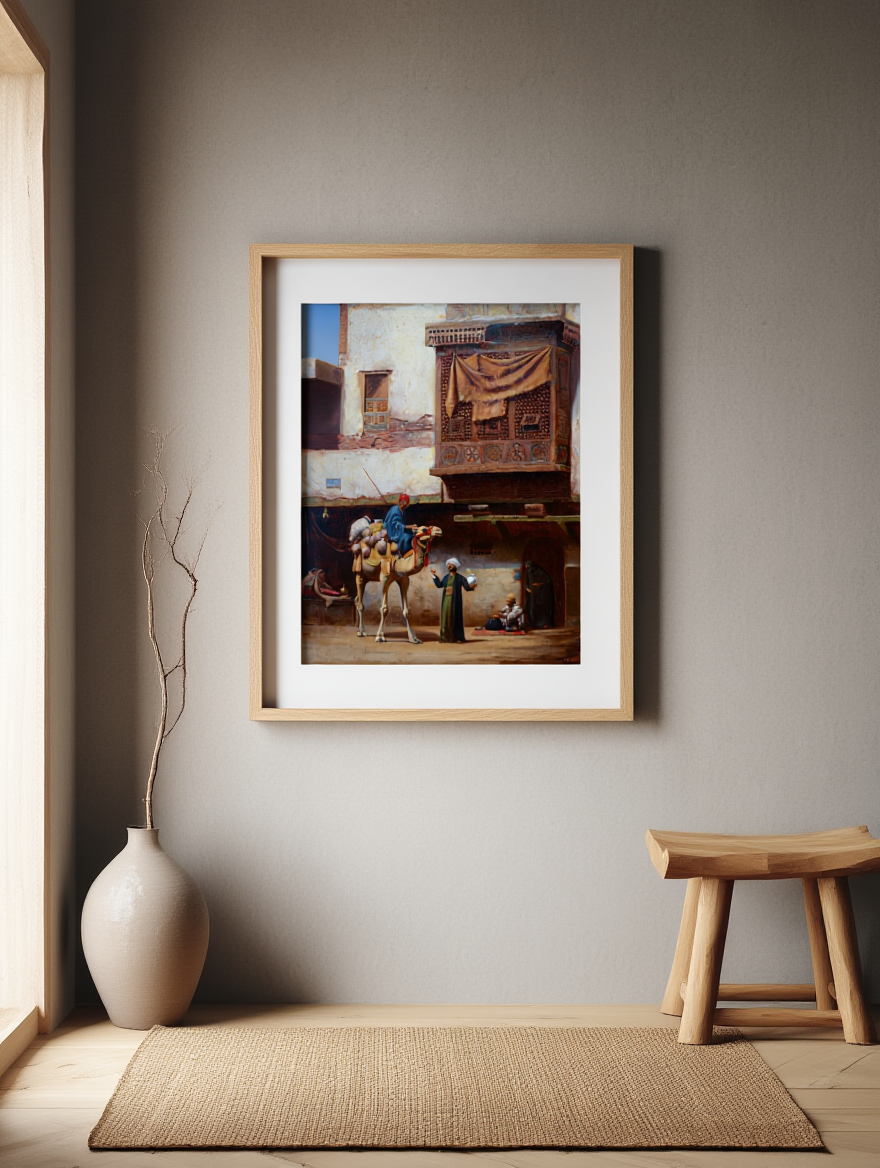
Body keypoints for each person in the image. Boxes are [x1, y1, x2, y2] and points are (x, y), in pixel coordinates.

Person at [430, 557, 475, 643]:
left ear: (455, 566)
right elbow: (439, 585)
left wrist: (473, 586)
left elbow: (467, 587)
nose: (450, 565)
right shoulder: (446, 577)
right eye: (449, 564)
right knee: (445, 618)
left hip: (455, 601)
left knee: (455, 618)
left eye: (452, 564)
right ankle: (445, 638)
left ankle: (456, 637)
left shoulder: (460, 578)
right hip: (446, 601)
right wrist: (434, 576)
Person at [524, 560, 554, 628]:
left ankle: (543, 624)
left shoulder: (540, 573)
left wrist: (538, 585)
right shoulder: (528, 573)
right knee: (533, 609)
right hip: (533, 596)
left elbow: (547, 582)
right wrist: (528, 589)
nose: (529, 569)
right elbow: (527, 584)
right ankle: (534, 623)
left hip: (542, 595)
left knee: (542, 610)